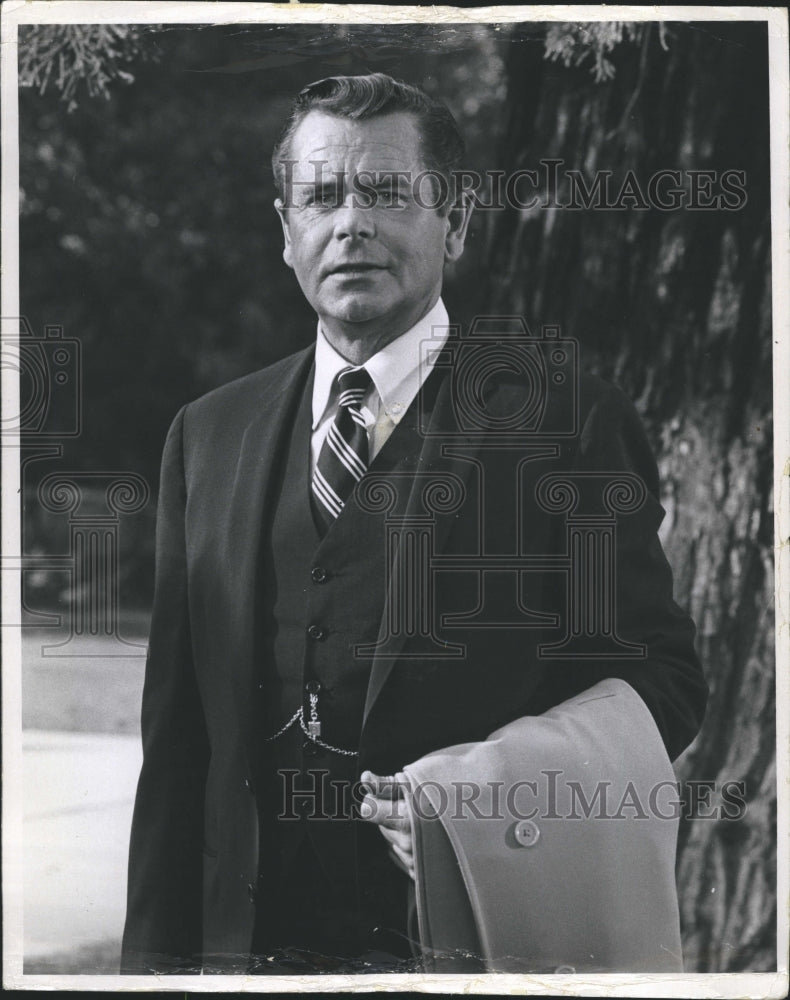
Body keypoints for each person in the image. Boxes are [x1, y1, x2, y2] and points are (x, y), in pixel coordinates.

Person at [121, 73, 708, 976]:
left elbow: (660, 682)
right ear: (286, 230)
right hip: (249, 955)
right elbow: (176, 753)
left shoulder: (568, 423)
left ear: (457, 222)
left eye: (388, 193)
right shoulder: (207, 435)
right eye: (321, 197)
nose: (351, 224)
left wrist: (482, 795)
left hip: (471, 947)